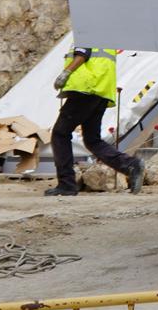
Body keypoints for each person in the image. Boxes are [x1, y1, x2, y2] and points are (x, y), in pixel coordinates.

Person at [45, 45, 145, 197]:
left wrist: (66, 72)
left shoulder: (85, 30)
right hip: (102, 91)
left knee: (60, 133)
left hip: (86, 88)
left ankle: (66, 185)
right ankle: (131, 165)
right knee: (92, 140)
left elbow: (83, 52)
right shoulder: (104, 36)